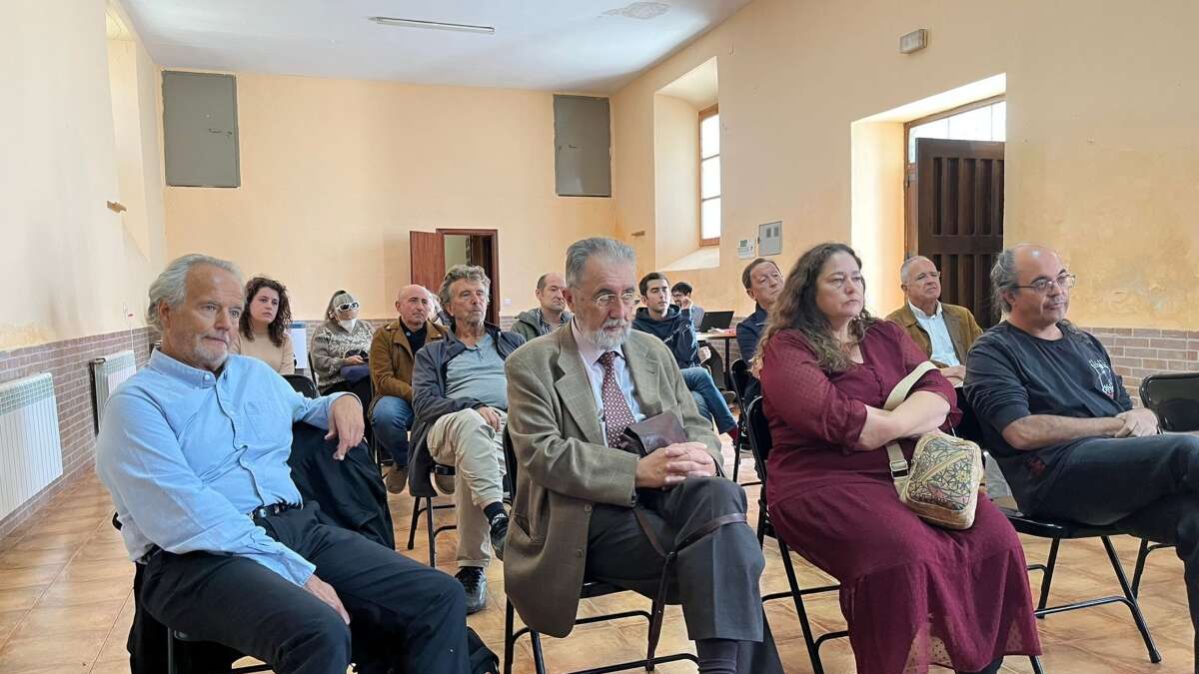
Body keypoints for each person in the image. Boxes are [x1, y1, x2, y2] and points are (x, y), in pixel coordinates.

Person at [96, 254, 470, 674]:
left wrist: (343, 400)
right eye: (209, 307)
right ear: (165, 312)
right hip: (198, 557)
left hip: (297, 529)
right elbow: (187, 515)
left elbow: (309, 408)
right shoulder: (136, 405)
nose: (226, 323)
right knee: (318, 628)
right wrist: (293, 570)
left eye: (234, 311)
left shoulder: (254, 377)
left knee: (441, 594)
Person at [757, 242, 1040, 674]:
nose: (852, 286)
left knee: (995, 538)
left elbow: (941, 392)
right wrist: (903, 421)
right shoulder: (789, 348)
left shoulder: (885, 335)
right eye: (838, 279)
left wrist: (887, 424)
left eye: (857, 276)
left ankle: (982, 664)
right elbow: (837, 419)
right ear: (806, 291)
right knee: (906, 552)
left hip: (915, 473)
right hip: (823, 481)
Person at [504, 237, 783, 674]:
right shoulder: (531, 364)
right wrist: (636, 471)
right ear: (572, 299)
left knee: (720, 497)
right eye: (603, 297)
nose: (620, 311)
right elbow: (544, 455)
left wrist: (704, 455)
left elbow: (693, 421)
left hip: (674, 495)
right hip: (584, 512)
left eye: (628, 295)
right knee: (731, 554)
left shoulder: (651, 351)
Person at [965, 244, 1199, 670]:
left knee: (1196, 521)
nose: (1057, 290)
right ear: (1008, 295)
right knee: (1189, 448)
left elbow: (1126, 404)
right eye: (1041, 283)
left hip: (1117, 477)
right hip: (1056, 478)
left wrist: (1143, 414)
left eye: (1062, 278)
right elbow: (1020, 432)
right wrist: (1111, 426)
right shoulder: (993, 351)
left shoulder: (1083, 341)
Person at [411, 265, 524, 613]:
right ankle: (499, 518)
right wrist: (472, 405)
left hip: (505, 430)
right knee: (471, 426)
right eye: (465, 294)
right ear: (448, 307)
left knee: (472, 462)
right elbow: (424, 403)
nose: (476, 300)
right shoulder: (432, 353)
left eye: (480, 294)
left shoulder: (512, 344)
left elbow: (537, 389)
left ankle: (473, 567)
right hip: (449, 425)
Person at [633, 272, 739, 442]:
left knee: (699, 402)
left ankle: (709, 457)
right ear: (644, 300)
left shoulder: (680, 317)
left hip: (684, 380)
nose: (662, 295)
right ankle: (735, 432)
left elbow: (687, 354)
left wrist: (686, 314)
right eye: (655, 291)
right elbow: (648, 365)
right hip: (659, 381)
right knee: (701, 374)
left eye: (665, 289)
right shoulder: (637, 328)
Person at [369, 285, 449, 494]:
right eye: (413, 301)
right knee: (385, 415)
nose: (420, 307)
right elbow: (383, 380)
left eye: (425, 302)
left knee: (455, 413)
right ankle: (403, 461)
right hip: (398, 398)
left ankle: (442, 461)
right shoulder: (383, 336)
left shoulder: (445, 335)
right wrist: (415, 393)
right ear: (398, 306)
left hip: (434, 399)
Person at [886, 255, 983, 386]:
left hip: (971, 384)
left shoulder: (962, 315)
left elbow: (983, 353)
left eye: (934, 274)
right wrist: (950, 372)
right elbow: (901, 371)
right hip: (930, 390)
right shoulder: (894, 324)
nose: (931, 281)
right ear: (905, 288)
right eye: (921, 277)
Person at [734, 258, 783, 400]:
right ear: (751, 294)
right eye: (763, 280)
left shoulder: (805, 315)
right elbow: (760, 369)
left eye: (776, 276)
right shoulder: (747, 328)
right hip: (767, 394)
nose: (774, 283)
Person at [310, 290, 374, 396]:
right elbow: (319, 363)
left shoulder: (366, 327)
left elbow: (379, 351)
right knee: (362, 393)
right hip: (335, 384)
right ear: (334, 314)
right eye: (346, 319)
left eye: (352, 318)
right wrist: (344, 362)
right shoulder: (323, 332)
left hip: (367, 377)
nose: (350, 321)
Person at [230, 276, 295, 374]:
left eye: (274, 302)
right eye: (263, 300)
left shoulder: (285, 341)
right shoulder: (234, 335)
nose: (269, 306)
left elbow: (286, 382)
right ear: (247, 303)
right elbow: (231, 376)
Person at [511, 272, 572, 341]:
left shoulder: (576, 326)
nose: (560, 296)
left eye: (564, 291)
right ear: (538, 294)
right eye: (553, 290)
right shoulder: (521, 328)